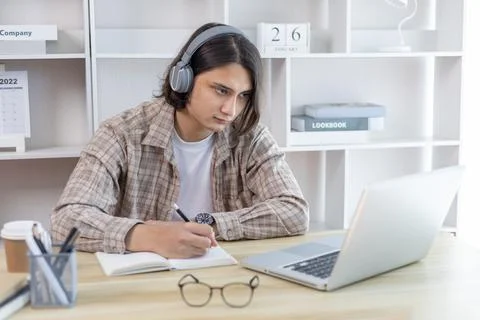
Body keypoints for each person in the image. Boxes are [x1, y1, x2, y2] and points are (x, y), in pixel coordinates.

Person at [51, 22, 309, 259]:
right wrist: (148, 236)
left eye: (243, 96)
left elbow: (294, 211)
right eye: (221, 90)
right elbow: (66, 220)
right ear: (182, 79)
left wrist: (210, 224)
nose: (231, 109)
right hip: (142, 287)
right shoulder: (121, 134)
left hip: (221, 279)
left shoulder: (250, 137)